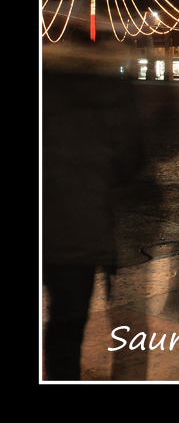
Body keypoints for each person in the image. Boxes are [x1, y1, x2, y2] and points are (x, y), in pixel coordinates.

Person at [42, 28, 144, 380]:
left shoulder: (44, 84)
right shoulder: (113, 90)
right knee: (68, 320)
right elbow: (131, 162)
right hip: (82, 229)